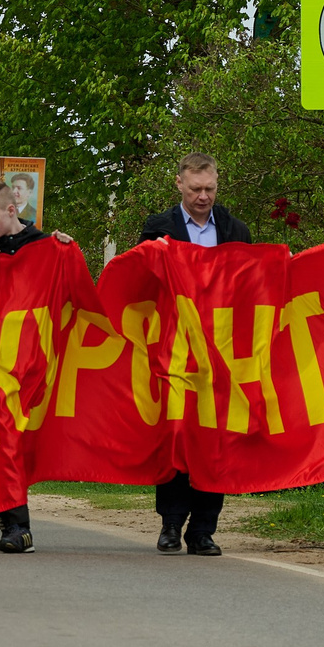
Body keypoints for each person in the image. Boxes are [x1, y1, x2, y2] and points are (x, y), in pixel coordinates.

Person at [0, 176, 77, 555]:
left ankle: (16, 524)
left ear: (12, 210)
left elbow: (73, 291)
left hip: (34, 366)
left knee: (12, 441)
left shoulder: (46, 247)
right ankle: (17, 526)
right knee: (2, 439)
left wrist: (69, 251)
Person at [138, 152, 252, 557]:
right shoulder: (159, 228)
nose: (203, 196)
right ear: (180, 185)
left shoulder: (236, 230)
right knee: (177, 436)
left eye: (210, 189)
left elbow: (251, 287)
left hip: (221, 353)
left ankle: (203, 530)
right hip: (174, 350)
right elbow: (140, 281)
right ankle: (170, 524)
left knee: (214, 440)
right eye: (196, 189)